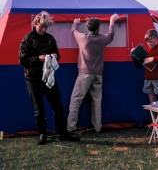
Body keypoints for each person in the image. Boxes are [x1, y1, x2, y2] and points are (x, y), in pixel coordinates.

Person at [19, 11, 80, 145]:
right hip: (33, 78)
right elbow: (22, 60)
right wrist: (38, 59)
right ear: (35, 24)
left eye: (46, 27)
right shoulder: (27, 39)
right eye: (41, 26)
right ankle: (42, 135)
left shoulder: (50, 38)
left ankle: (63, 134)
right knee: (39, 109)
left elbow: (58, 54)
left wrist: (55, 56)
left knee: (58, 106)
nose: (43, 29)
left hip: (48, 77)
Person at [67, 13, 120, 133]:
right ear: (98, 28)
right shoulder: (102, 39)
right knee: (97, 102)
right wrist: (112, 21)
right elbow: (111, 35)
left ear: (88, 27)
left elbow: (73, 30)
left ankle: (70, 127)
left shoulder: (83, 38)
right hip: (98, 74)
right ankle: (97, 127)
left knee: (76, 100)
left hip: (84, 74)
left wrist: (75, 22)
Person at [133, 29, 158, 124]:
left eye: (151, 41)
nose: (149, 43)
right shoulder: (147, 51)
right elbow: (138, 65)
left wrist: (152, 59)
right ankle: (155, 121)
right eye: (147, 41)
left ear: (156, 39)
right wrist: (134, 55)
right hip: (148, 79)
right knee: (152, 101)